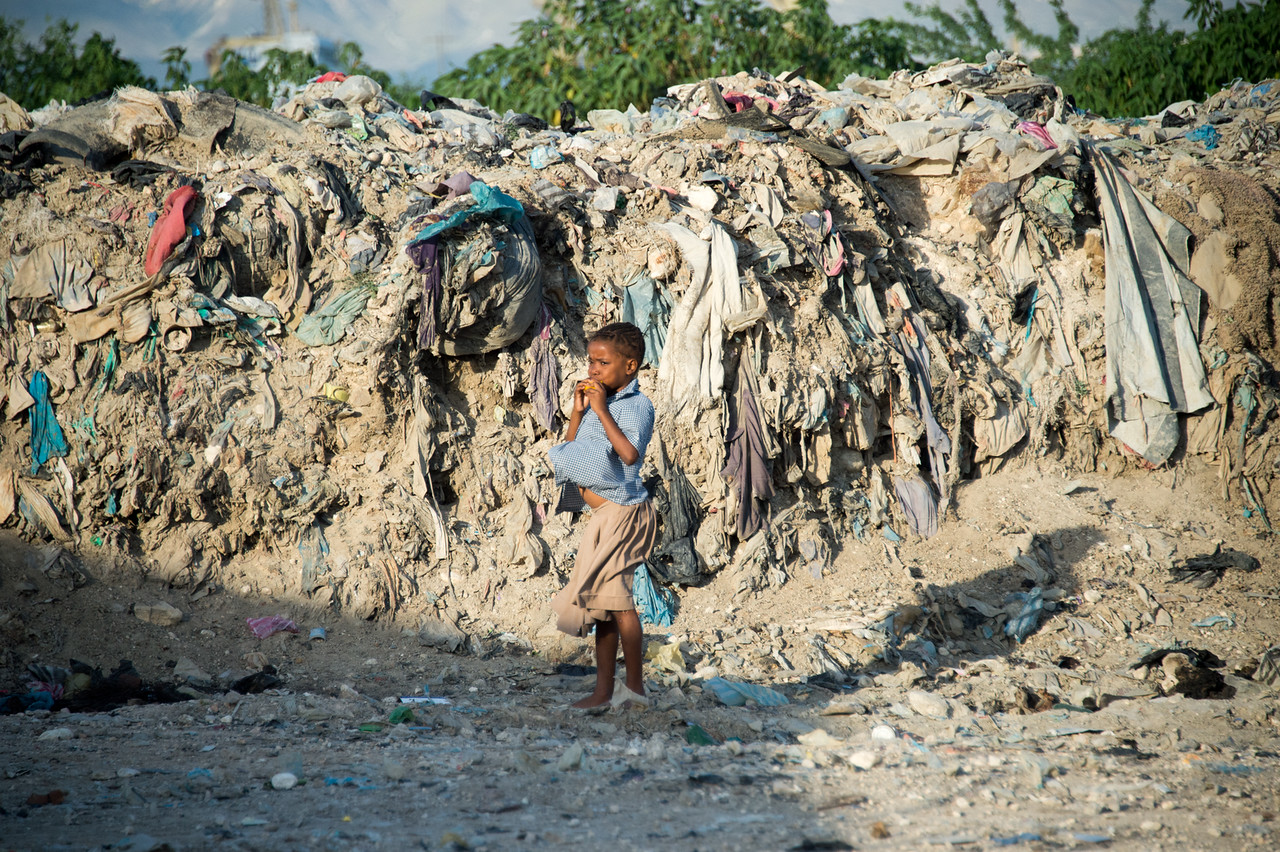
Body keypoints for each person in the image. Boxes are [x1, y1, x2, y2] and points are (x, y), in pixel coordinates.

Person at [549, 322, 657, 710]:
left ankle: (634, 691)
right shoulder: (600, 404)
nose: (592, 370)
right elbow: (573, 452)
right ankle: (604, 692)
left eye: (602, 362)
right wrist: (579, 412)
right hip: (602, 518)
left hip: (624, 514)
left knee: (620, 604)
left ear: (630, 367)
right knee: (604, 606)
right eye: (591, 361)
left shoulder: (636, 406)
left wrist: (600, 410)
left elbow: (629, 455)